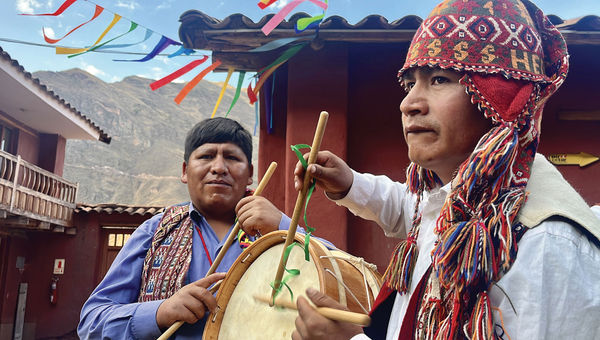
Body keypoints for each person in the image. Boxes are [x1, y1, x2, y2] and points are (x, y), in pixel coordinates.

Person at [292, 0, 600, 339]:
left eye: (438, 79)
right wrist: (349, 183)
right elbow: (415, 208)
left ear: (497, 98)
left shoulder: (544, 242)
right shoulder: (468, 198)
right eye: (410, 84)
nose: (408, 104)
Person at [78, 117, 296, 339]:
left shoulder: (277, 227)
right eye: (206, 156)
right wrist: (159, 312)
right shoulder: (154, 231)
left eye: (231, 157)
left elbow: (330, 270)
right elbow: (92, 322)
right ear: (184, 171)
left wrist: (286, 228)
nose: (219, 168)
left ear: (250, 174)